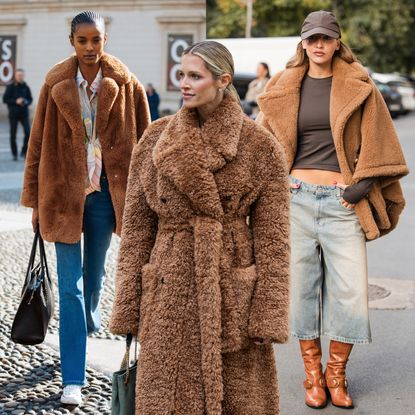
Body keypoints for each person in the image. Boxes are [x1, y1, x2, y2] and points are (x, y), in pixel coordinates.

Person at [110, 40, 290, 414]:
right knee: (166, 395)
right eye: (182, 75)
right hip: (167, 288)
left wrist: (266, 313)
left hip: (229, 287)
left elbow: (274, 241)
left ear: (223, 80)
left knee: (239, 397)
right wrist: (129, 305)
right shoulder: (156, 139)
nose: (184, 84)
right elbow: (137, 230)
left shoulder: (261, 147)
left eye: (195, 76)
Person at [257, 10, 408, 409]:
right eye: (312, 39)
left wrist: (358, 189)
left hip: (343, 204)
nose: (319, 45)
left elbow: (382, 145)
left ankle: (336, 374)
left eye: (326, 38)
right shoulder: (284, 85)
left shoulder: (360, 86)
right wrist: (279, 178)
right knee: (301, 292)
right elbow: (262, 144)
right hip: (297, 202)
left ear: (337, 42)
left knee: (351, 293)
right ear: (302, 44)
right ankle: (312, 375)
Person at [20, 11, 150, 406]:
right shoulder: (54, 84)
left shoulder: (127, 86)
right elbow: (37, 144)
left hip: (107, 197)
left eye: (97, 40)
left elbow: (146, 145)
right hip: (62, 195)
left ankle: (86, 322)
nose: (90, 47)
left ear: (105, 40)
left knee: (94, 279)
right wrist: (34, 201)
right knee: (71, 288)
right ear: (72, 41)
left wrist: (145, 198)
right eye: (83, 40)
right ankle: (72, 379)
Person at [3, 69, 33, 160]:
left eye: (21, 75)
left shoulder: (26, 87)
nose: (20, 77)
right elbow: (5, 99)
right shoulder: (10, 87)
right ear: (15, 76)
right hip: (13, 114)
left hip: (24, 113)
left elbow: (30, 99)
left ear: (24, 76)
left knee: (28, 132)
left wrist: (26, 102)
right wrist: (16, 101)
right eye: (18, 75)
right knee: (13, 134)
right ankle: (14, 154)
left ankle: (24, 151)